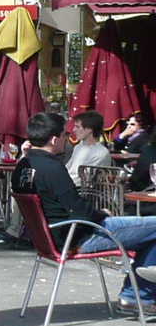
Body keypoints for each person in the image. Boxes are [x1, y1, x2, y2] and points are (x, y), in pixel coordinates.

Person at [12, 111, 156, 313]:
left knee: (149, 233)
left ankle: (136, 295)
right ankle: (136, 296)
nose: (67, 138)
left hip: (48, 238)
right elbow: (80, 211)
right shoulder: (52, 169)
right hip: (77, 237)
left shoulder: (22, 167)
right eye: (64, 134)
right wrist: (103, 214)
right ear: (54, 139)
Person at [65, 110, 113, 185]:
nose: (74, 130)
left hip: (83, 192)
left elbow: (85, 180)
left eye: (78, 127)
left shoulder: (100, 153)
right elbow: (67, 169)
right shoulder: (79, 147)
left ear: (89, 129)